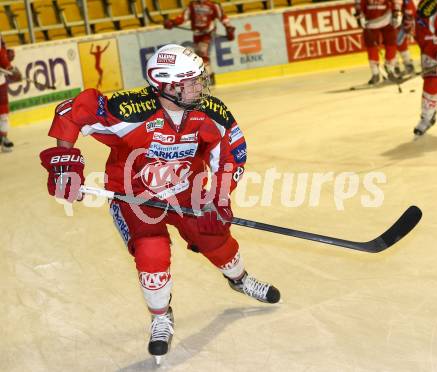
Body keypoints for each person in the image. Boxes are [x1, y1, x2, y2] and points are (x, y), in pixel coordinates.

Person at [39, 44, 280, 364]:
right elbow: (73, 112)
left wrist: (219, 198)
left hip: (187, 193)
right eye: (190, 81)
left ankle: (239, 280)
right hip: (135, 198)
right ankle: (160, 317)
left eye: (198, 79)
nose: (199, 87)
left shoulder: (210, 112)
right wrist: (66, 165)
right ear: (166, 85)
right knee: (151, 252)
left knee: (215, 237)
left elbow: (230, 152)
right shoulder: (129, 111)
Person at [163, 0, 235, 85]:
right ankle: (210, 76)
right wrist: (172, 22)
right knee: (199, 56)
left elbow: (223, 17)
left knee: (202, 52)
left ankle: (207, 78)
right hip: (197, 34)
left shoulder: (213, 5)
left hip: (208, 33)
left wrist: (229, 27)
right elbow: (183, 17)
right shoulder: (192, 5)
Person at [355, 0, 402, 84]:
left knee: (391, 43)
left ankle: (390, 69)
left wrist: (397, 13)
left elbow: (397, 1)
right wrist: (359, 14)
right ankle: (375, 73)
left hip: (387, 19)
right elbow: (358, 3)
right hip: (370, 22)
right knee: (371, 47)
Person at [413, 0, 437, 136]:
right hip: (431, 52)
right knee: (431, 84)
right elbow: (421, 33)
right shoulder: (425, 5)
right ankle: (427, 117)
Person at [0, 35, 21, 152]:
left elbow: (2, 53)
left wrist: (8, 67)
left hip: (0, 81)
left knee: (3, 112)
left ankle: (3, 138)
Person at [396, 0, 416, 75]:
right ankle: (394, 67)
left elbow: (410, 10)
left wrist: (407, 25)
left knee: (401, 45)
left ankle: (408, 66)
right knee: (392, 46)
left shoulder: (407, 2)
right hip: (392, 26)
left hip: (402, 26)